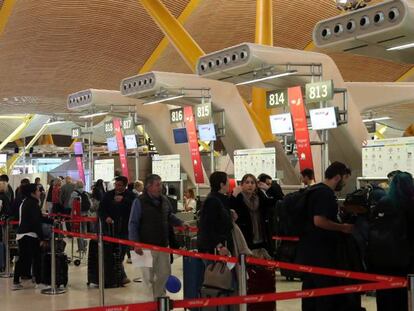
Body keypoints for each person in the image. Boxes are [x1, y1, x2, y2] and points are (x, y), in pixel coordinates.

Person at [295, 161, 355, 311]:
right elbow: (319, 221)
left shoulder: (314, 190)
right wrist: (342, 227)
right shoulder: (325, 194)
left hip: (309, 249)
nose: (345, 183)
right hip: (321, 252)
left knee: (310, 289)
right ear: (337, 177)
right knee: (324, 291)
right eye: (345, 178)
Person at [128, 174, 184, 299]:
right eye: (158, 185)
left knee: (164, 274)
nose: (161, 187)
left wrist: (180, 223)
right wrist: (135, 243)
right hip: (144, 247)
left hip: (163, 246)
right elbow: (133, 223)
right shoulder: (138, 202)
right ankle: (149, 304)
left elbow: (169, 216)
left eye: (161, 184)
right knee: (147, 279)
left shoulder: (164, 200)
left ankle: (160, 301)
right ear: (149, 186)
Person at [368, 171, 414, 311]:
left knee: (385, 298)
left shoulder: (383, 203)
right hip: (406, 261)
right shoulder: (411, 204)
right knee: (405, 299)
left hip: (382, 260)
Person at [100, 175, 135, 285]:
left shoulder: (131, 196)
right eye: (116, 185)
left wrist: (124, 200)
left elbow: (136, 207)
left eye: (120, 185)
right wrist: (106, 217)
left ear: (125, 186)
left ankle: (119, 275)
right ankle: (120, 276)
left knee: (122, 252)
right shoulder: (108, 195)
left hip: (125, 229)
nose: (117, 187)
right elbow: (101, 209)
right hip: (111, 229)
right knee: (113, 253)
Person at [12, 183, 45, 290]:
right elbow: (36, 222)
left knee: (23, 258)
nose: (40, 192)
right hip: (29, 234)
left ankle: (17, 280)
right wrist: (42, 237)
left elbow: (38, 218)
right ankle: (38, 281)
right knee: (35, 258)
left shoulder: (26, 202)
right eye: (38, 190)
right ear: (33, 193)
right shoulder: (32, 204)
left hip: (23, 234)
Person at [230, 174, 274, 253]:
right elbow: (229, 209)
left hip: (261, 238)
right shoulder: (238, 198)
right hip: (245, 238)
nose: (250, 185)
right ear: (242, 185)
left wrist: (269, 188)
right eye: (247, 182)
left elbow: (277, 199)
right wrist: (233, 196)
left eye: (252, 183)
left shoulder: (260, 198)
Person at [197, 171, 234, 255]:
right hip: (214, 248)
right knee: (215, 268)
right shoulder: (212, 201)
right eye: (228, 181)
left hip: (220, 245)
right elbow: (207, 226)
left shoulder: (219, 199)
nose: (229, 184)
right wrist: (219, 246)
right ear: (222, 184)